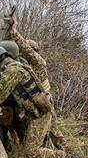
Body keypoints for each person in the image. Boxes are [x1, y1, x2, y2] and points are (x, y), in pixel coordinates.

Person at [0, 45, 77, 158]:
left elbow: (0, 94)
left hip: (40, 114)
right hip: (36, 111)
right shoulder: (14, 66)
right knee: (53, 138)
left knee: (31, 151)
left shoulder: (13, 71)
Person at [9, 16, 67, 151]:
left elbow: (26, 50)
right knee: (47, 133)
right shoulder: (25, 66)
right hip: (37, 104)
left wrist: (14, 32)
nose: (22, 54)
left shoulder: (38, 64)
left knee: (53, 132)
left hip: (44, 103)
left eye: (25, 52)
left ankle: (65, 157)